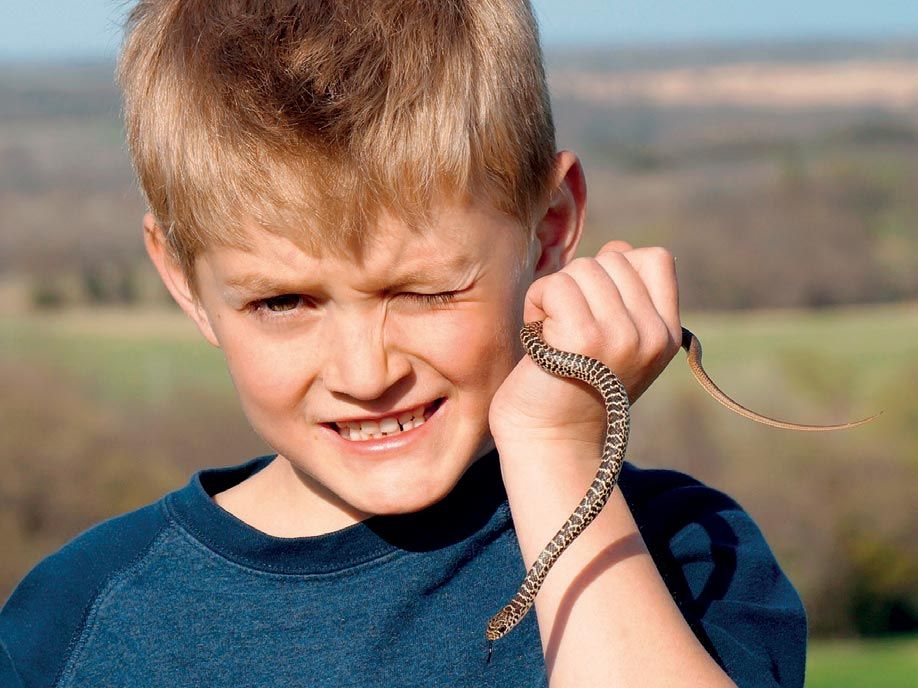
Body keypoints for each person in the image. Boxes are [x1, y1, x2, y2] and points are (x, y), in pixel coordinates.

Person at [0, 2, 806, 686]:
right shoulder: (75, 615)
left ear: (550, 227)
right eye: (283, 301)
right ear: (184, 282)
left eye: (424, 291)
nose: (365, 373)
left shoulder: (683, 553)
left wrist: (557, 449)